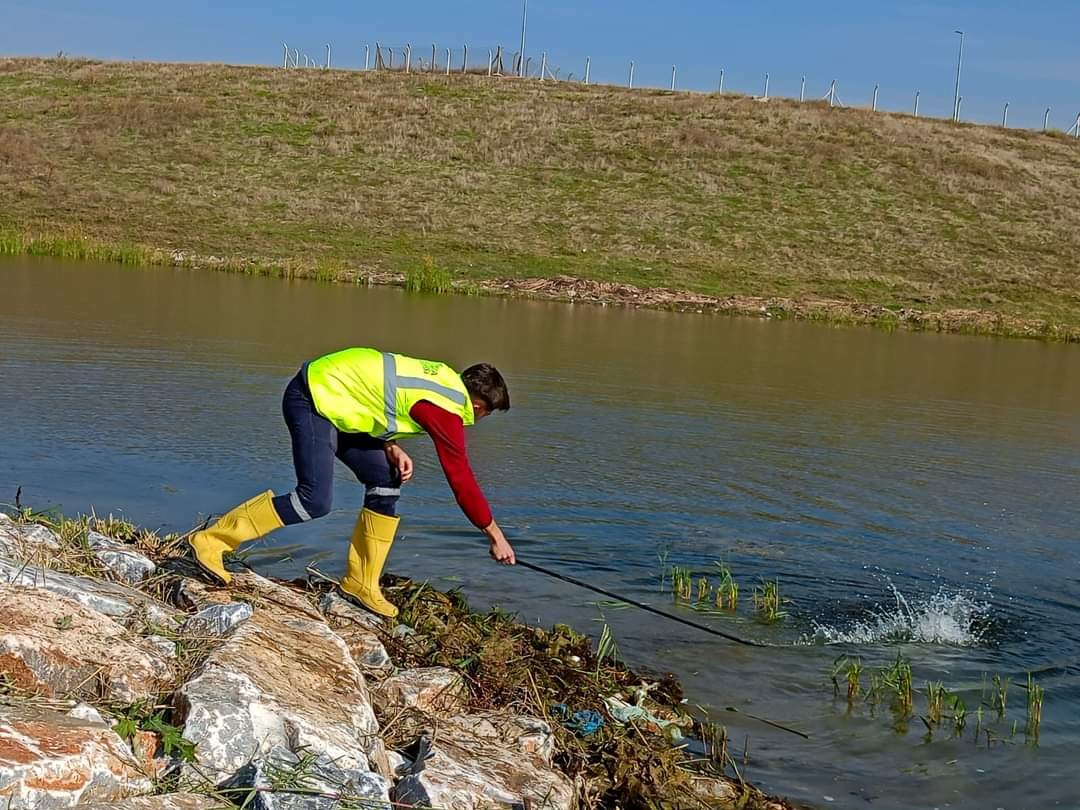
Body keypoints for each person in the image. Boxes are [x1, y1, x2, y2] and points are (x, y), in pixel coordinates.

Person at [188, 347, 516, 618]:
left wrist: (389, 444)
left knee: (385, 478)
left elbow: (378, 396)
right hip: (312, 399)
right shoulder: (446, 408)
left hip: (336, 404)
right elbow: (460, 478)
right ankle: (214, 541)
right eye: (486, 414)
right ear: (478, 405)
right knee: (313, 501)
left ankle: (361, 582)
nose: (479, 421)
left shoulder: (442, 380)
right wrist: (495, 536)